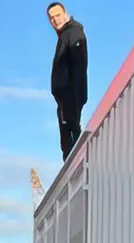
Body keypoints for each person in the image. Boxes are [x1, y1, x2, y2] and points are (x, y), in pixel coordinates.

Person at [48, 2, 88, 161]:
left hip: (70, 97)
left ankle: (75, 165)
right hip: (66, 98)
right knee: (68, 142)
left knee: (71, 142)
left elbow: (79, 65)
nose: (55, 20)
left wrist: (74, 98)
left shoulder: (74, 33)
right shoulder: (66, 34)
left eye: (57, 15)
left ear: (65, 14)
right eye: (51, 18)